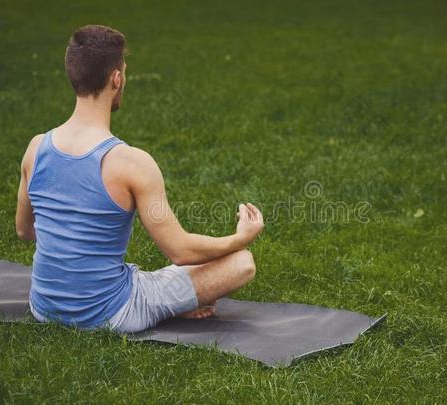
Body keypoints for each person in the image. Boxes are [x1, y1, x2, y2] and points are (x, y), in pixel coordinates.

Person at [14, 25, 264, 333]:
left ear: (73, 75)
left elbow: (24, 230)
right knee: (242, 263)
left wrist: (71, 243)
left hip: (44, 307)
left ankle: (167, 301)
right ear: (116, 79)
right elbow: (180, 251)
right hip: (112, 313)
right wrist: (240, 238)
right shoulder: (132, 163)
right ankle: (170, 306)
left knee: (150, 278)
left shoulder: (36, 149)